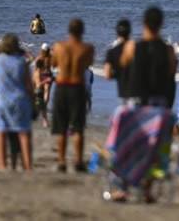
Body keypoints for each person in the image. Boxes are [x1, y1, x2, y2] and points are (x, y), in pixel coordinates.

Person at [51, 18, 95, 172]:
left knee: (61, 127)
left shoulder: (58, 46)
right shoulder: (87, 48)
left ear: (68, 31)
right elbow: (88, 63)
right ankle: (78, 160)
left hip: (62, 86)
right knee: (78, 127)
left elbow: (54, 64)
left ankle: (62, 161)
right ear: (82, 31)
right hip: (77, 87)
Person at [120, 7, 178, 108]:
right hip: (159, 101)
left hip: (136, 100)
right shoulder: (169, 50)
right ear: (161, 23)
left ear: (143, 22)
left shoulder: (131, 47)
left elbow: (122, 66)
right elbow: (171, 73)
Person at [0, 33, 33, 171]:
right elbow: (28, 85)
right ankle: (27, 167)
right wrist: (33, 101)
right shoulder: (21, 62)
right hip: (19, 100)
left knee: (1, 132)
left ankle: (2, 165)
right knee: (24, 133)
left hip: (1, 100)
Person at [103, 19, 132, 99]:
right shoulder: (138, 48)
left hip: (124, 93)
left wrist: (119, 74)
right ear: (130, 31)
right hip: (140, 91)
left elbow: (107, 74)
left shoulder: (112, 52)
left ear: (117, 32)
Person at [32, 59, 50, 127]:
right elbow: (39, 84)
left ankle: (45, 122)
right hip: (39, 91)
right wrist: (46, 80)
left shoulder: (36, 72)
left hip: (36, 91)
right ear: (41, 65)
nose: (45, 66)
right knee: (42, 107)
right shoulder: (38, 73)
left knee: (41, 107)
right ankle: (45, 122)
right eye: (44, 65)